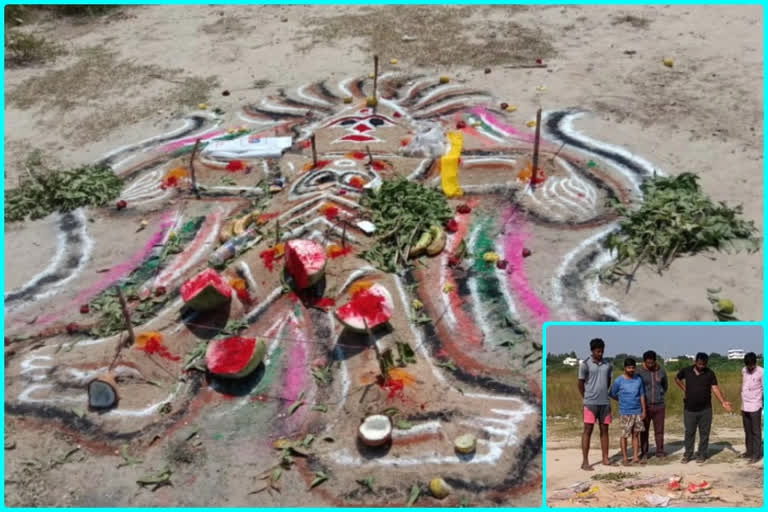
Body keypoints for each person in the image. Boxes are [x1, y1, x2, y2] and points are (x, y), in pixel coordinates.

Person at [674, 353, 733, 463]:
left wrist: (723, 402)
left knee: (704, 433)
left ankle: (702, 454)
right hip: (689, 409)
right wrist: (685, 389)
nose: (701, 366)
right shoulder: (686, 370)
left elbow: (715, 388)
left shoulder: (710, 373)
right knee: (689, 432)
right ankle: (688, 454)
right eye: (699, 364)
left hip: (705, 409)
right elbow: (677, 378)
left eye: (703, 364)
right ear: (695, 362)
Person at [577, 338, 613, 470]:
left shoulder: (608, 365)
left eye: (602, 351)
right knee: (588, 430)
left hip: (604, 403)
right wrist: (586, 397)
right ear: (592, 351)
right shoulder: (585, 364)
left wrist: (603, 393)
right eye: (598, 351)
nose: (600, 354)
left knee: (605, 430)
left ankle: (605, 458)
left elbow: (608, 381)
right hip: (590, 403)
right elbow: (580, 384)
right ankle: (585, 461)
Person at [609, 358, 647, 466]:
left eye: (633, 367)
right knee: (624, 435)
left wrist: (644, 410)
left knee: (636, 435)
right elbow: (612, 393)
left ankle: (635, 456)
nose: (631, 370)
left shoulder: (638, 380)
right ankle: (625, 457)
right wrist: (621, 400)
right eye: (629, 367)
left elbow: (642, 395)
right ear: (624, 368)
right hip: (625, 412)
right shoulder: (618, 381)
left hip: (637, 411)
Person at [637, 350, 668, 459]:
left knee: (659, 431)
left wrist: (659, 395)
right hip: (645, 406)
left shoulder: (662, 371)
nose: (650, 364)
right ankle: (644, 453)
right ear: (644, 361)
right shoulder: (639, 372)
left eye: (652, 362)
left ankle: (660, 451)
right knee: (644, 431)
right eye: (648, 362)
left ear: (655, 361)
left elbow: (665, 386)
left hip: (659, 405)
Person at [740, 352, 763, 463]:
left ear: (755, 363)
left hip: (756, 404)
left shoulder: (762, 372)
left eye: (751, 365)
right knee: (747, 430)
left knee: (756, 431)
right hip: (745, 405)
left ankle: (756, 454)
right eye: (748, 365)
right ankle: (749, 451)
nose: (749, 367)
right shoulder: (743, 370)